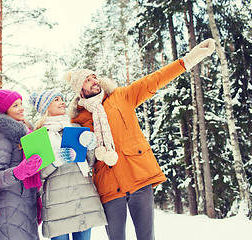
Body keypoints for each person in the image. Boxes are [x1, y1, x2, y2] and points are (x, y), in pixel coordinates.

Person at [64, 38, 216, 240]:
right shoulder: (78, 119)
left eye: (95, 77)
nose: (95, 81)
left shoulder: (121, 96)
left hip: (138, 176)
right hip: (108, 185)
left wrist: (189, 59)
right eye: (88, 79)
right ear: (79, 88)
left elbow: (154, 80)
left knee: (146, 236)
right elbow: (77, 155)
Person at [29, 89, 107, 240]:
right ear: (46, 107)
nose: (62, 102)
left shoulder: (76, 129)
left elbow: (89, 163)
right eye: (56, 99)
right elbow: (37, 175)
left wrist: (90, 146)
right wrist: (56, 161)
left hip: (82, 198)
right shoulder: (38, 136)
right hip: (58, 204)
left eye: (62, 99)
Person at [0, 89, 43, 240]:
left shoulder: (27, 133)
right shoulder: (2, 134)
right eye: (15, 105)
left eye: (21, 104)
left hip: (27, 203)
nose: (21, 108)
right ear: (3, 110)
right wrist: (20, 171)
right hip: (9, 207)